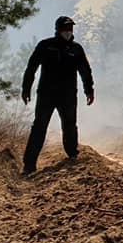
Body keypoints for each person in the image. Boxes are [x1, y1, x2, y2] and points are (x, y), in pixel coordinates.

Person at [21, 16, 95, 175]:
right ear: (58, 29)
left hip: (68, 95)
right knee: (39, 127)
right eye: (65, 28)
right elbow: (31, 67)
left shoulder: (76, 49)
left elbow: (85, 71)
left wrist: (89, 90)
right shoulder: (45, 45)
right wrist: (26, 88)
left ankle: (72, 155)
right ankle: (29, 165)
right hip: (46, 94)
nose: (68, 32)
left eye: (70, 29)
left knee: (70, 126)